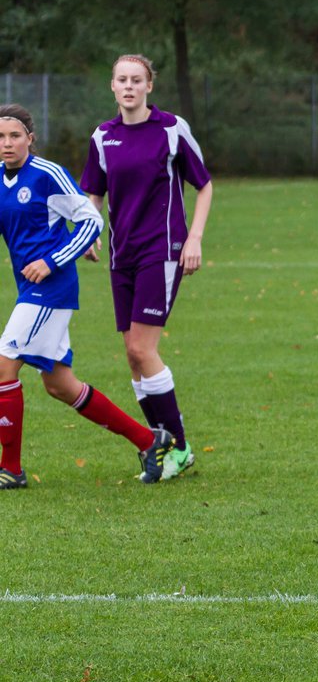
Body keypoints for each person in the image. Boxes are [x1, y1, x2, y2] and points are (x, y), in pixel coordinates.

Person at [0, 104, 174, 488]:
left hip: (51, 288)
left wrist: (53, 259)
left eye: (14, 136)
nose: (7, 143)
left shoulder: (47, 175)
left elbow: (91, 219)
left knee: (3, 367)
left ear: (30, 138)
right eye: (0, 137)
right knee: (60, 385)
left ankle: (10, 470)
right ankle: (149, 441)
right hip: (29, 290)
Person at [80, 54, 212, 480]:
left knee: (142, 349)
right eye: (122, 80)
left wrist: (193, 238)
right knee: (132, 358)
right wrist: (89, 230)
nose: (130, 86)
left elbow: (204, 185)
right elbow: (93, 196)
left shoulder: (171, 129)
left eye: (138, 79)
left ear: (149, 86)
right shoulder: (103, 136)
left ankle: (180, 446)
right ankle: (162, 445)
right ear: (113, 86)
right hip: (123, 255)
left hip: (163, 249)